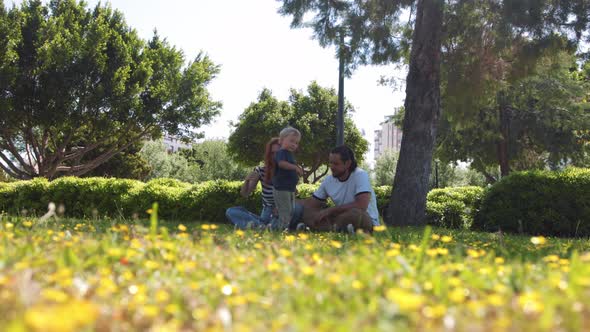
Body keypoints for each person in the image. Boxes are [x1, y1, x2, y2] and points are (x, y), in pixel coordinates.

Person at [293, 145, 380, 233]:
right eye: (330, 163)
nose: (332, 167)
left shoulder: (360, 174)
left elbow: (361, 205)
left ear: (348, 163)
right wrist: (292, 201)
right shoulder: (328, 181)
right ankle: (341, 229)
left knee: (356, 215)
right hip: (339, 217)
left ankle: (327, 228)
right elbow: (312, 203)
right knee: (309, 212)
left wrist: (330, 210)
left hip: (362, 217)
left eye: (336, 164)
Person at [225, 138, 281, 229]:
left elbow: (293, 195)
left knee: (289, 215)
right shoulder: (260, 171)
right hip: (267, 211)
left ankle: (259, 226)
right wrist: (247, 180)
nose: (275, 156)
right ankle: (262, 226)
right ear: (268, 154)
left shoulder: (288, 171)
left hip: (281, 211)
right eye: (272, 153)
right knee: (231, 211)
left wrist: (281, 207)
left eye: (278, 153)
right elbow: (245, 193)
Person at [272, 127, 303, 230]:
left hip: (289, 189)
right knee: (285, 210)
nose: (294, 144)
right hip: (282, 188)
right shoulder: (281, 153)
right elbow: (281, 164)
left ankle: (280, 227)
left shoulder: (289, 154)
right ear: (281, 140)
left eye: (296, 143)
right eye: (291, 141)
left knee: (290, 210)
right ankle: (282, 230)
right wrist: (295, 167)